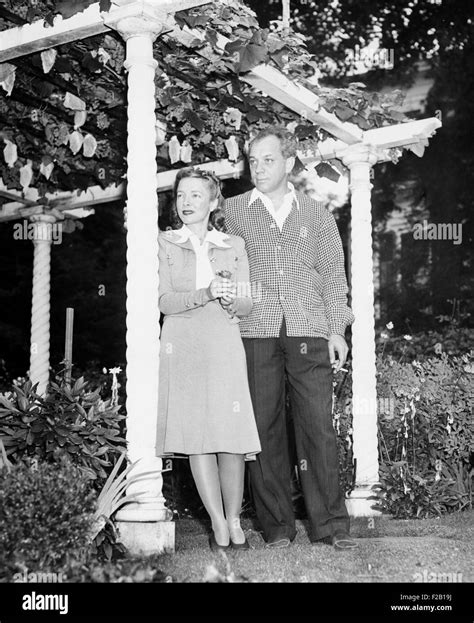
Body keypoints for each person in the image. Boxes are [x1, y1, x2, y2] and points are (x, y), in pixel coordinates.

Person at [223, 127, 357, 550]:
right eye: (253, 161)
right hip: (253, 331)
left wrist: (337, 328)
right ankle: (277, 527)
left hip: (308, 328)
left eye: (267, 160)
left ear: (288, 162)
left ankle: (329, 526)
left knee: (317, 426)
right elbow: (217, 269)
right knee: (263, 427)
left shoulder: (317, 214)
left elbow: (335, 276)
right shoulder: (231, 212)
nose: (258, 169)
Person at [156, 167, 261, 552]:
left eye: (196, 195)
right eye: (181, 195)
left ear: (213, 202)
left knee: (230, 437)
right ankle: (217, 523)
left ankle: (235, 520)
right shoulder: (164, 243)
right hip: (182, 341)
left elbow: (249, 301)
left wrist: (235, 299)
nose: (186, 203)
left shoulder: (234, 244)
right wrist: (205, 293)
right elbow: (164, 301)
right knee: (198, 437)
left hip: (223, 338)